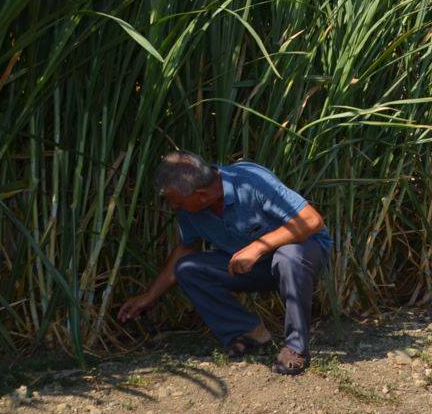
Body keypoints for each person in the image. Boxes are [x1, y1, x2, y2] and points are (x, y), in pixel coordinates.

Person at [118, 151, 332, 375]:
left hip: (302, 254)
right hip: (253, 267)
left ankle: (296, 349)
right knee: (188, 269)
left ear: (200, 195)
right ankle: (250, 334)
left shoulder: (250, 182)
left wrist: (259, 246)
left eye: (177, 202)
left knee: (288, 256)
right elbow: (186, 248)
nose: (174, 207)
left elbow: (311, 220)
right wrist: (149, 296)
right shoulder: (190, 208)